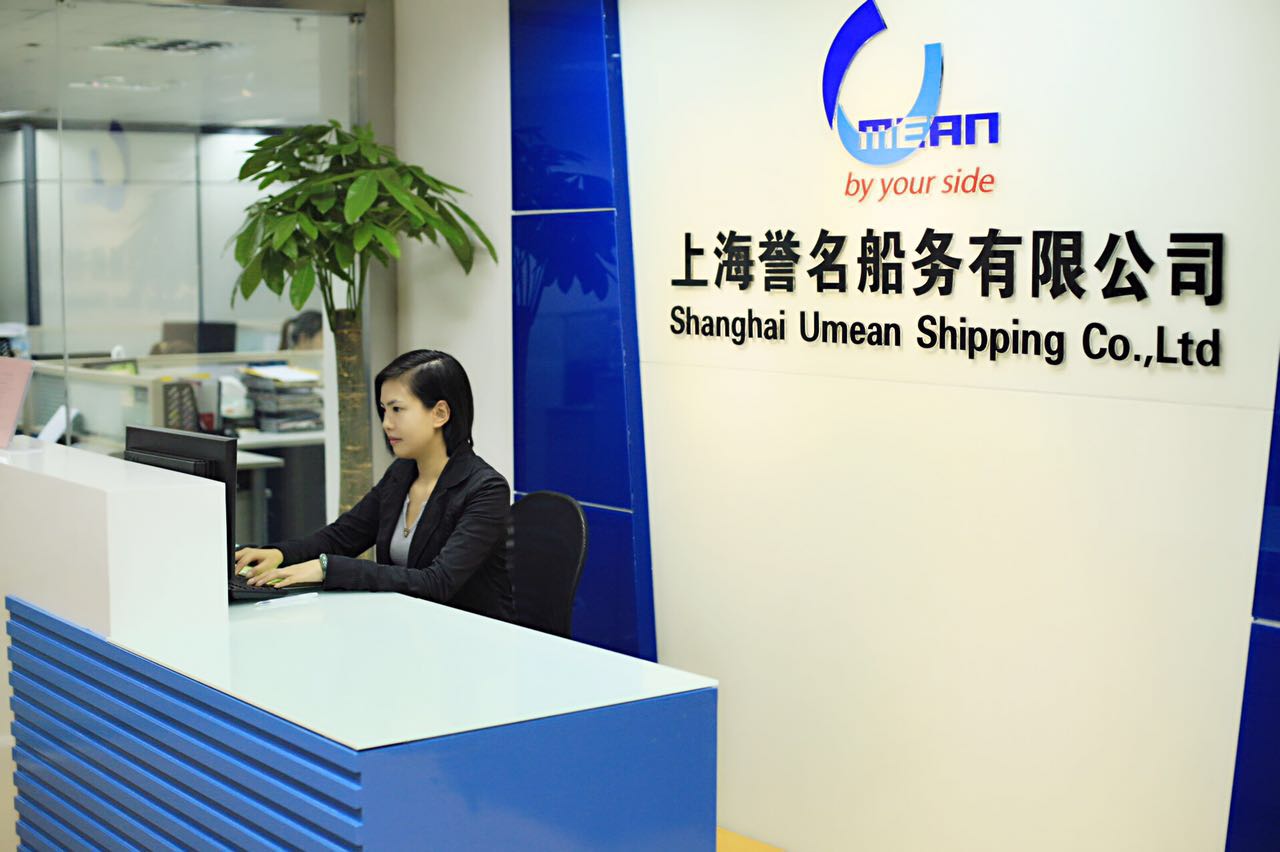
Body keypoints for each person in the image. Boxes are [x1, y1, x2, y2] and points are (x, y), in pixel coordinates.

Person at [233, 350, 515, 622]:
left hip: (471, 638)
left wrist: (327, 568)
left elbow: (437, 582)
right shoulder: (402, 473)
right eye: (384, 410)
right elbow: (343, 537)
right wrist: (281, 554)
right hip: (411, 628)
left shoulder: (485, 489)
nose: (386, 423)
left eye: (397, 409)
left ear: (440, 413)